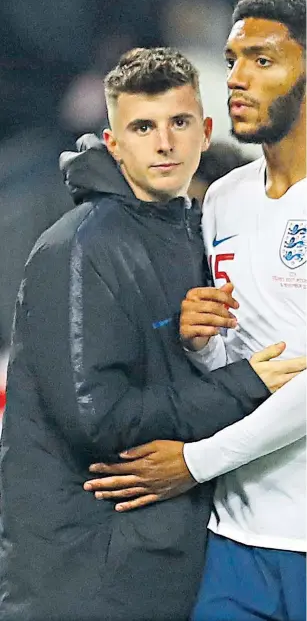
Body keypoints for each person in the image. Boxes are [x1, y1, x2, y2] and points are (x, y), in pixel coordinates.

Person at [0, 47, 303, 621]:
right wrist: (245, 384)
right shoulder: (84, 246)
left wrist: (198, 344)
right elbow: (100, 421)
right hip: (84, 577)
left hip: (156, 558)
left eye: (178, 123)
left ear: (204, 129)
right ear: (115, 144)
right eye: (143, 127)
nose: (164, 143)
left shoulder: (191, 231)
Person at [85, 0, 307, 621]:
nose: (236, 79)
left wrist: (194, 462)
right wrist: (198, 339)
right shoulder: (225, 198)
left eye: (263, 60)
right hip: (234, 540)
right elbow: (229, 362)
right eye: (231, 59)